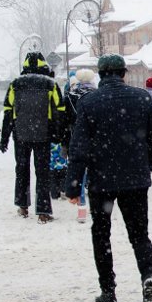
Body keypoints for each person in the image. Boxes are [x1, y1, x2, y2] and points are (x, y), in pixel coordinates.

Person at [66, 54, 152, 302]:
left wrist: (73, 186)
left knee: (101, 234)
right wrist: (147, 162)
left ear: (101, 75)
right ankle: (148, 279)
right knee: (139, 235)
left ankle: (108, 291)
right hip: (135, 181)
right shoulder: (142, 98)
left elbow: (79, 148)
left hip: (102, 183)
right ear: (123, 73)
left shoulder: (89, 102)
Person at [0, 52, 65, 224]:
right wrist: (58, 134)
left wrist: (4, 139)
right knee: (42, 172)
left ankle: (22, 205)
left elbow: (7, 111)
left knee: (21, 170)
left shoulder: (15, 84)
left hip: (20, 135)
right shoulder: (50, 84)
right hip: (43, 135)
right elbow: (60, 111)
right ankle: (43, 211)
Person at [63, 68, 98, 223]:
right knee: (95, 174)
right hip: (96, 140)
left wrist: (65, 143)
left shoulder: (70, 97)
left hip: (75, 138)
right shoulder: (98, 96)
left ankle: (81, 208)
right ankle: (97, 206)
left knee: (79, 174)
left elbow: (65, 121)